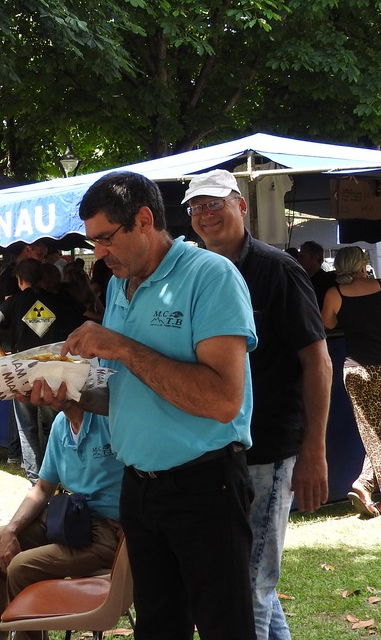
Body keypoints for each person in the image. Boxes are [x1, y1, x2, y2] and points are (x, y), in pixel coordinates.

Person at [40, 171, 258, 640]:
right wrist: (67, 392)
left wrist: (122, 346)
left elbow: (223, 400)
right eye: (92, 241)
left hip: (205, 485)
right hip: (138, 488)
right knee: (158, 628)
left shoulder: (211, 276)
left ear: (143, 220)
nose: (98, 253)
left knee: (225, 626)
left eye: (104, 239)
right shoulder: (120, 283)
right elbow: (127, 390)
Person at [183, 170, 331, 639]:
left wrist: (313, 451)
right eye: (196, 207)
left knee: (249, 587)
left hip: (268, 449)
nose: (205, 215)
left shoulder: (277, 269)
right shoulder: (192, 271)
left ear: (241, 206)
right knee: (247, 579)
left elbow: (318, 362)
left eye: (214, 204)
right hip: (215, 450)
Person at [0, 406, 124, 640]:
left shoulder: (108, 419)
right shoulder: (61, 424)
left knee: (22, 566)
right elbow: (43, 488)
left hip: (107, 531)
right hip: (71, 519)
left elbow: (141, 473)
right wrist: (11, 530)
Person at [321, 246, 381, 518]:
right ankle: (378, 494)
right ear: (363, 265)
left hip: (360, 371)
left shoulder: (334, 294)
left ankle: (378, 494)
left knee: (378, 439)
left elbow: (326, 324)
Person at [0, 258, 87, 483]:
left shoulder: (13, 302)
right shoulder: (63, 300)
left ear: (19, 279)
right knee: (55, 422)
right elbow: (82, 322)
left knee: (27, 427)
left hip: (22, 368)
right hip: (56, 367)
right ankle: (59, 471)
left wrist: (1, 355)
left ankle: (36, 477)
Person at [296, 240, 337, 309]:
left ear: (315, 257)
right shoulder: (299, 279)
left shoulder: (328, 282)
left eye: (302, 256)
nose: (298, 259)